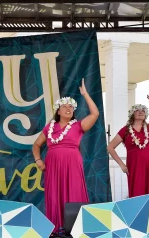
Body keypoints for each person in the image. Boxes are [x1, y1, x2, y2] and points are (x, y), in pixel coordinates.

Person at [32, 79, 99, 234]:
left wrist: (85, 94)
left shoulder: (78, 125)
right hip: (53, 165)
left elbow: (95, 114)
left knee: (74, 192)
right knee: (55, 195)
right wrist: (38, 160)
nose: (68, 109)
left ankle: (76, 228)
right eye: (64, 106)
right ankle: (56, 229)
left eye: (71, 107)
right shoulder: (50, 128)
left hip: (72, 164)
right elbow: (36, 145)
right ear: (58, 111)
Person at [107, 95, 149, 199]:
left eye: (143, 110)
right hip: (135, 166)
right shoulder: (125, 130)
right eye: (137, 110)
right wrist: (122, 165)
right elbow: (110, 147)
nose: (141, 112)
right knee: (138, 193)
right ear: (132, 114)